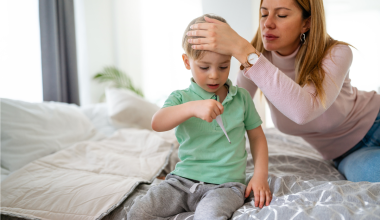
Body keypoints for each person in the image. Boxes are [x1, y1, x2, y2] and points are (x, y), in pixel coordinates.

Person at [186, 0, 380, 182]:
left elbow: (303, 111)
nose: (267, 24)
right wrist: (190, 169)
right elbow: (227, 113)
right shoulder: (257, 62)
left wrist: (242, 48)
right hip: (347, 154)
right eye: (264, 14)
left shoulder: (337, 53)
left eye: (281, 15)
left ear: (307, 23)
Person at [127, 14, 272, 220]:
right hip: (181, 182)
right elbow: (157, 123)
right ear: (187, 62)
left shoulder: (241, 98)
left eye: (223, 66)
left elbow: (257, 137)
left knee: (209, 216)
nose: (214, 75)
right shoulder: (181, 98)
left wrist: (260, 176)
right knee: (139, 212)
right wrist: (192, 108)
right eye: (204, 67)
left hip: (225, 186)